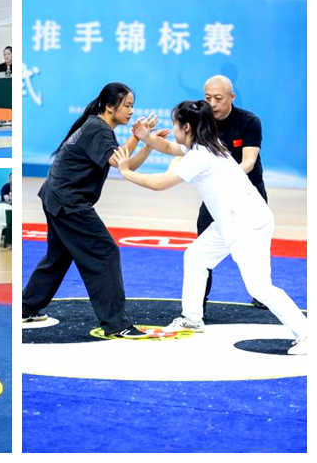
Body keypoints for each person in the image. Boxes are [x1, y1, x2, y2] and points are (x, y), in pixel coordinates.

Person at [114, 100, 307, 356]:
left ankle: (307, 334)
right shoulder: (204, 146)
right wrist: (145, 137)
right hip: (234, 220)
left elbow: (160, 183)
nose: (172, 129)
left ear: (186, 127)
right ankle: (192, 319)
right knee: (196, 257)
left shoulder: (200, 155)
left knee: (260, 287)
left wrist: (126, 172)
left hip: (246, 224)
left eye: (174, 124)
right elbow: (170, 147)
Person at [22, 83, 166, 338]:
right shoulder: (98, 129)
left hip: (56, 196)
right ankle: (117, 324)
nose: (131, 111)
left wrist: (147, 144)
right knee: (105, 252)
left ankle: (26, 307)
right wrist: (139, 137)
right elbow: (118, 160)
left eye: (132, 106)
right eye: (127, 105)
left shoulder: (96, 126)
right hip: (68, 201)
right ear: (109, 106)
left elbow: (126, 166)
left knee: (58, 257)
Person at [200, 75, 268, 310]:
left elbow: (248, 162)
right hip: (215, 196)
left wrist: (223, 179)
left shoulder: (249, 121)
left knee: (255, 250)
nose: (212, 104)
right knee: (201, 251)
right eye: (208, 98)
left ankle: (262, 293)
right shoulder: (202, 122)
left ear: (232, 97)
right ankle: (199, 301)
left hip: (248, 194)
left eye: (218, 98)